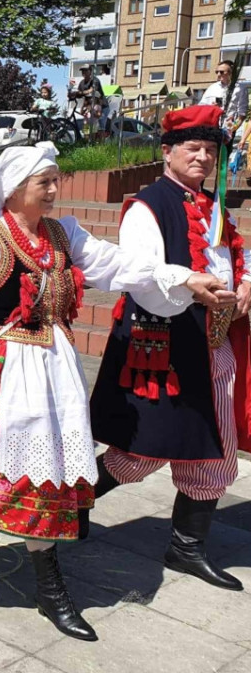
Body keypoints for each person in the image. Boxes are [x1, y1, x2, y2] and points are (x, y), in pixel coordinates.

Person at [0, 143, 215, 641]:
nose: (56, 190)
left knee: (40, 466)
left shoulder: (63, 233)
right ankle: (48, 585)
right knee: (24, 468)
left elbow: (117, 265)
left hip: (54, 366)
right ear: (14, 188)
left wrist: (183, 276)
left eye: (57, 180)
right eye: (46, 183)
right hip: (2, 363)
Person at [90, 104, 251, 592]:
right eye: (192, 148)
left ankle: (186, 548)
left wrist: (244, 285)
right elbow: (142, 279)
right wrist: (191, 287)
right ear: (167, 152)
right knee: (138, 454)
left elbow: (232, 257)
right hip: (162, 344)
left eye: (210, 149)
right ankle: (66, 506)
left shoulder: (214, 206)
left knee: (213, 451)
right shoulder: (147, 206)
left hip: (214, 342)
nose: (202, 157)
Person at [199, 60, 248, 130]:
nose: (218, 74)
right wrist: (211, 107)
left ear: (230, 73)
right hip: (210, 126)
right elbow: (201, 106)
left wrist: (233, 128)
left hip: (228, 127)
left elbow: (242, 113)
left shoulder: (240, 89)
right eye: (217, 72)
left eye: (221, 72)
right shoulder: (212, 87)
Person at [71, 66, 104, 141]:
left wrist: (92, 110)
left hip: (102, 104)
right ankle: (86, 144)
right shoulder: (82, 83)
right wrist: (73, 95)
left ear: (90, 71)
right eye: (82, 71)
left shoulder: (95, 80)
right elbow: (79, 94)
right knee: (86, 133)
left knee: (99, 128)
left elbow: (91, 90)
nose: (84, 73)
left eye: (86, 70)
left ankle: (98, 143)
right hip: (87, 119)